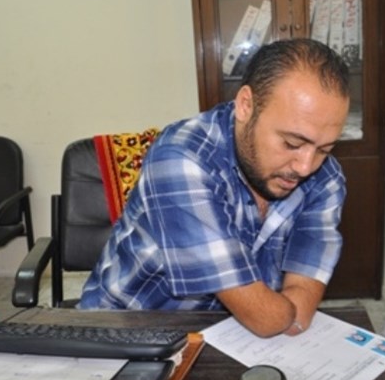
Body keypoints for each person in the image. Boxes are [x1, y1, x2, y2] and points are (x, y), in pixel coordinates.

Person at [79, 38, 350, 338]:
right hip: (122, 330)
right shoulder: (181, 158)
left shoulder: (326, 178)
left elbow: (298, 308)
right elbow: (266, 320)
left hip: (226, 335)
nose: (305, 166)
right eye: (292, 143)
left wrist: (275, 310)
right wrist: (277, 310)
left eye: (324, 149)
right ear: (246, 105)